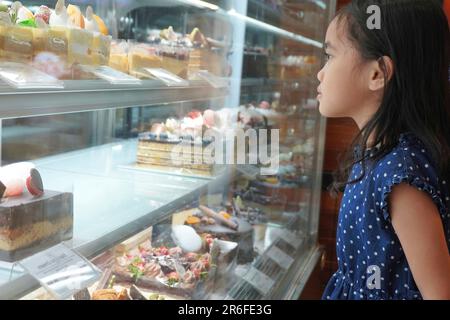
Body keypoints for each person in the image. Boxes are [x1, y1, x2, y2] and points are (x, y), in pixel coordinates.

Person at [318, 0, 450, 299]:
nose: (320, 74)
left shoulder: (400, 175)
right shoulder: (377, 153)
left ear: (378, 74)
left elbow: (440, 292)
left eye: (329, 56)